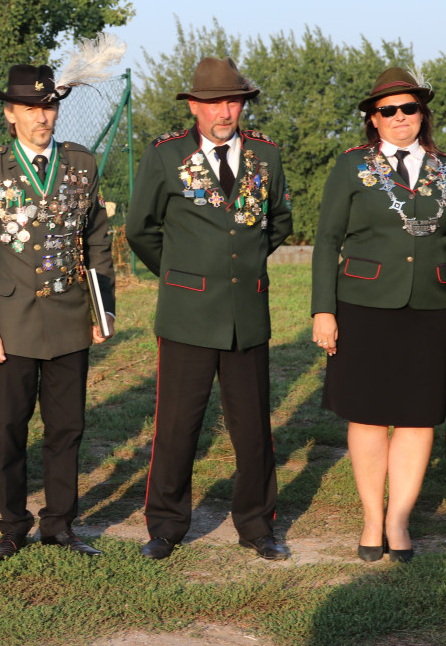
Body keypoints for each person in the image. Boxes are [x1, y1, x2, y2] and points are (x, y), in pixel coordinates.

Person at [127, 57, 293, 561]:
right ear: (195, 107)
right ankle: (167, 525)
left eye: (234, 100)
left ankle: (257, 526)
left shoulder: (265, 154)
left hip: (247, 313)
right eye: (215, 102)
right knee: (178, 426)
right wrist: (181, 275)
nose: (226, 111)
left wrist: (239, 270)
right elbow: (141, 230)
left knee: (253, 428)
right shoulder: (165, 156)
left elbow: (279, 220)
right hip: (187, 315)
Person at [312, 67, 446, 563]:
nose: (401, 117)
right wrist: (323, 310)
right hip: (362, 306)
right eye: (389, 110)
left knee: (416, 417)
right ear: (373, 120)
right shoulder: (352, 167)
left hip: (429, 308)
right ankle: (370, 518)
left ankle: (399, 520)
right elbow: (326, 240)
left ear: (422, 115)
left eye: (410, 108)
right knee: (367, 415)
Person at [0, 64, 115, 560]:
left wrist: (102, 309)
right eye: (30, 108)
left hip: (70, 316)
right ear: (10, 114)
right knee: (10, 427)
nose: (42, 118)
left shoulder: (81, 163)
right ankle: (12, 525)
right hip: (10, 325)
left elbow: (96, 239)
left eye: (49, 107)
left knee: (67, 427)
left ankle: (59, 524)